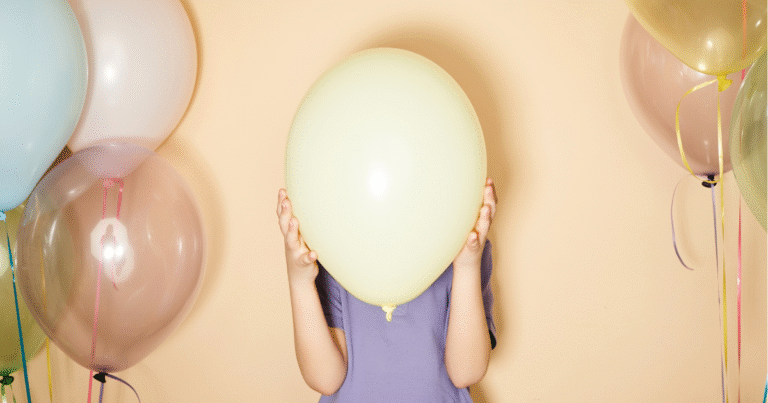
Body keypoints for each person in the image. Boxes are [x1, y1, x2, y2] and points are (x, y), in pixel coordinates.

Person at [277, 178, 497, 402]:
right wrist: (300, 282)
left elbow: (467, 373)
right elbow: (325, 379)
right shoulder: (332, 253)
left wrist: (468, 265)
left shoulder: (464, 248)